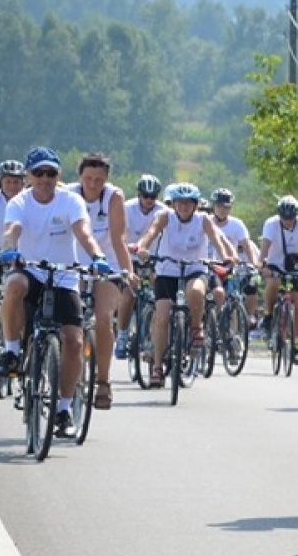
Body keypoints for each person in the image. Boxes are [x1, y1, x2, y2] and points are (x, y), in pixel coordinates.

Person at [0, 147, 117, 436]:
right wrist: (8, 248)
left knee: (74, 342)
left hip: (64, 276)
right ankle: (11, 351)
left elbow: (84, 232)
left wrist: (98, 257)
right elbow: (12, 229)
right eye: (38, 173)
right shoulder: (20, 203)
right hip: (30, 270)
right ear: (28, 176)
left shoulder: (71, 201)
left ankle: (63, 407)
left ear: (58, 175)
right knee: (13, 284)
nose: (45, 179)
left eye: (50, 173)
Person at [134, 182, 236, 388]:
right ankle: (157, 367)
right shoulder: (165, 216)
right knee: (162, 316)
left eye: (188, 203)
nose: (184, 207)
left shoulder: (203, 220)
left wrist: (226, 256)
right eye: (180, 203)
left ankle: (196, 327)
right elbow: (151, 233)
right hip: (167, 269)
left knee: (197, 291)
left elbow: (216, 238)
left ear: (196, 205)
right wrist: (143, 247)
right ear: (174, 204)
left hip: (195, 267)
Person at [68, 153, 133, 408]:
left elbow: (119, 239)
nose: (92, 184)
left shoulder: (113, 197)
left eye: (98, 179)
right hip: (73, 264)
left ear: (107, 179)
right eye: (88, 178)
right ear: (79, 177)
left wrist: (128, 272)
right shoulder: (69, 195)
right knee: (67, 322)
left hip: (106, 265)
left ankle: (103, 381)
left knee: (103, 317)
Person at [118, 174, 166, 358]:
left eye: (153, 197)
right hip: (129, 257)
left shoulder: (162, 211)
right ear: (139, 195)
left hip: (152, 258)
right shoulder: (126, 208)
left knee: (159, 295)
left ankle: (152, 335)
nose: (148, 200)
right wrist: (127, 247)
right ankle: (122, 335)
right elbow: (118, 231)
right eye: (145, 196)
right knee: (128, 295)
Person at [207, 187, 261, 322]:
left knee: (249, 286)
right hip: (212, 266)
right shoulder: (206, 222)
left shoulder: (237, 224)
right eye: (219, 206)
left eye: (226, 207)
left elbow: (247, 244)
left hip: (232, 267)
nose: (222, 210)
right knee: (214, 294)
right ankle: (214, 323)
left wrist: (254, 263)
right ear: (213, 206)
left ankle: (248, 317)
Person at [257, 195, 298, 341]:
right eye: (284, 218)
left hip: (296, 265)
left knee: (297, 301)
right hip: (275, 264)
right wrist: (262, 264)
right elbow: (265, 247)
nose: (288, 221)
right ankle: (269, 315)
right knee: (273, 283)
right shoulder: (271, 224)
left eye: (291, 218)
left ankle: (296, 343)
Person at [0, 160, 26, 316]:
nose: (12, 186)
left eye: (16, 182)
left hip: (22, 252)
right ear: (0, 182)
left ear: (23, 183)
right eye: (8, 181)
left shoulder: (28, 199)